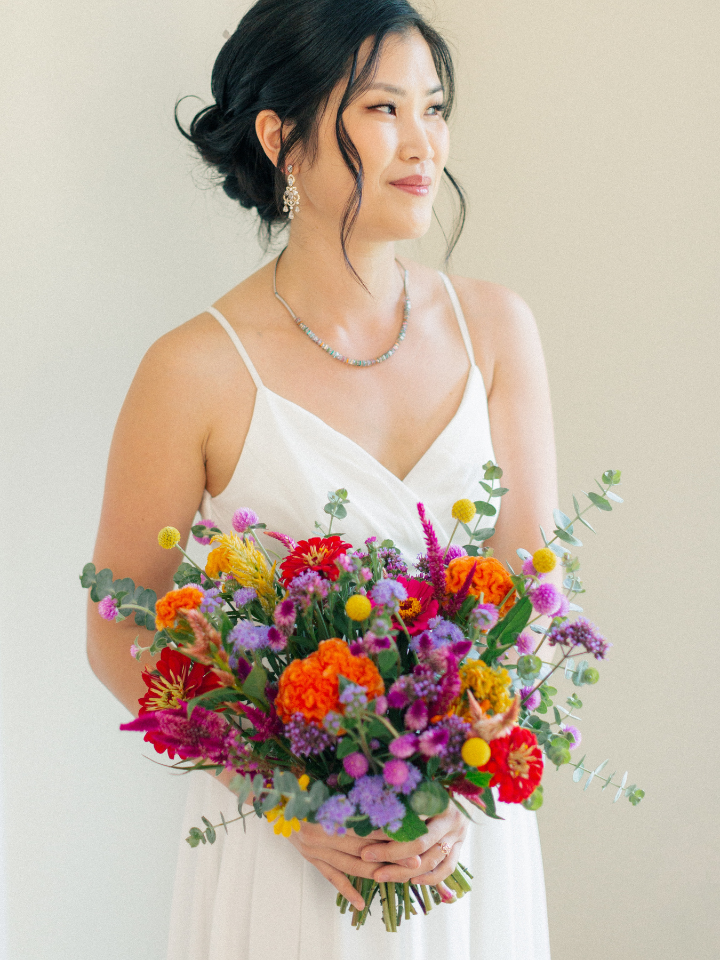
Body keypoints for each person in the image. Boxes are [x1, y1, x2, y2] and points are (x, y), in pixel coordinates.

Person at [87, 0, 556, 956]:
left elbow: (533, 589)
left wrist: (461, 774)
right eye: (384, 109)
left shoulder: (497, 329)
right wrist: (282, 793)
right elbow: (118, 629)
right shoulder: (192, 370)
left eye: (433, 107)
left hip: (460, 835)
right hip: (288, 855)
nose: (423, 143)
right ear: (281, 139)